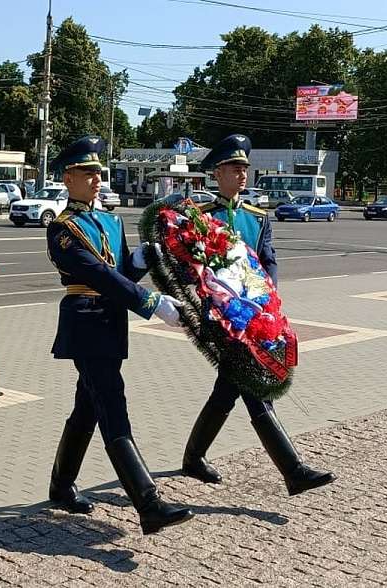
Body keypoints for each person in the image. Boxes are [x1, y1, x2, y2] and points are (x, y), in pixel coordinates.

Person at [45, 135, 192, 535]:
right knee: (112, 407)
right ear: (68, 177)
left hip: (110, 322)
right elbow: (97, 275)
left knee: (87, 407)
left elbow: (121, 274)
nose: (96, 179)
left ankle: (60, 486)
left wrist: (143, 259)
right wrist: (150, 303)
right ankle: (148, 503)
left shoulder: (110, 220)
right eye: (87, 173)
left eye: (98, 172)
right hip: (86, 322)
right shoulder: (62, 228)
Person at [180, 134, 335, 496]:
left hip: (256, 320)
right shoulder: (201, 219)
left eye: (245, 168)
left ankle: (193, 457)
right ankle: (293, 471)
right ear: (217, 173)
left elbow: (269, 262)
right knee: (254, 389)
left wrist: (267, 301)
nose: (243, 174)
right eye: (235, 168)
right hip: (222, 321)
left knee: (227, 391)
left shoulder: (257, 218)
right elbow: (193, 269)